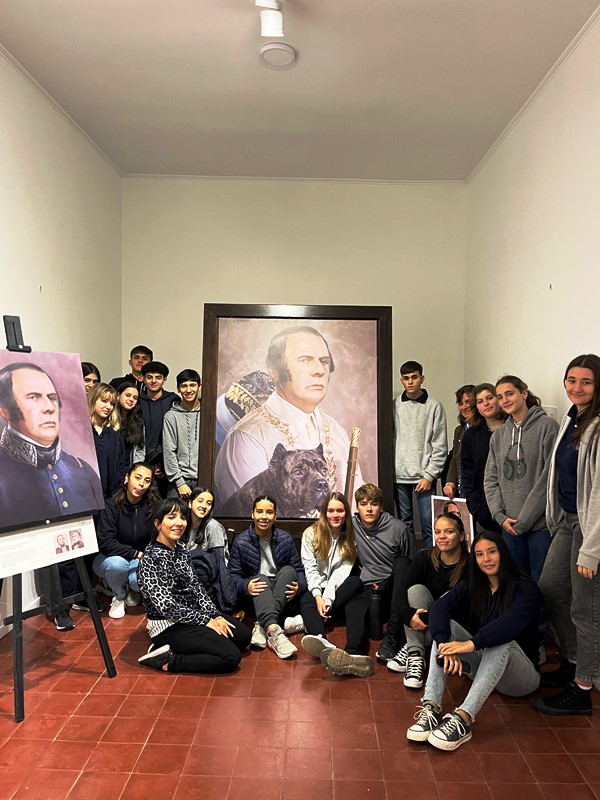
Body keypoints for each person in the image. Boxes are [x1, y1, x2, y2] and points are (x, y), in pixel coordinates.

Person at [406, 531, 541, 751]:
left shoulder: (526, 589)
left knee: (501, 641)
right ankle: (431, 707)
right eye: (479, 554)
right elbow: (440, 607)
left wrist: (469, 645)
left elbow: (508, 626)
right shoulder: (475, 584)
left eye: (491, 552)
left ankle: (463, 718)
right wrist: (445, 645)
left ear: (503, 553)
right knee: (446, 628)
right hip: (485, 666)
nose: (486, 559)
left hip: (520, 678)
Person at [214, 325, 362, 515]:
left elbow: (357, 504)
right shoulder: (246, 438)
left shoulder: (336, 431)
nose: (319, 370)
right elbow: (252, 520)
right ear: (274, 370)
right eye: (304, 360)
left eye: (324, 361)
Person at [534, 354, 600, 716]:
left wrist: (591, 550)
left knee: (585, 609)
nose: (577, 387)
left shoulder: (598, 427)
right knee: (550, 588)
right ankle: (574, 661)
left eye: (586, 382)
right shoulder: (572, 418)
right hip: (566, 520)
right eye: (571, 380)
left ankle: (583, 687)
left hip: (589, 529)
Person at [137, 498, 251, 674]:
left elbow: (196, 587)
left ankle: (188, 645)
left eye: (183, 517)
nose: (179, 523)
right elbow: (167, 607)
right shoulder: (151, 559)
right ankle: (168, 660)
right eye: (172, 517)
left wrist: (215, 615)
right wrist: (206, 621)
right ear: (158, 524)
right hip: (168, 625)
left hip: (192, 615)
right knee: (230, 657)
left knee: (243, 636)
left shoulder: (181, 548)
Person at [319, 483, 414, 677]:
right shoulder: (351, 525)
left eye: (374, 504)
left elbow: (412, 566)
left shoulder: (398, 528)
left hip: (393, 584)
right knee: (354, 606)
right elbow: (326, 524)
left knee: (403, 563)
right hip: (367, 585)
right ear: (357, 507)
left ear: (381, 506)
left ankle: (392, 637)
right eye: (363, 504)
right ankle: (353, 655)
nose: (369, 509)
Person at [0, 362, 103, 532]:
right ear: (5, 411)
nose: (49, 407)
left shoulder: (83, 470)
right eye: (33, 397)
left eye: (52, 398)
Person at [484, 375, 559, 582]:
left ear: (524, 393)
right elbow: (490, 479)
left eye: (509, 394)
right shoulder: (499, 435)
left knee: (541, 585)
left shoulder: (548, 427)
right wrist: (499, 516)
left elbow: (549, 478)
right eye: (500, 396)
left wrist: (524, 521)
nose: (505, 400)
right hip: (509, 526)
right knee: (516, 583)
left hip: (539, 526)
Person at [387, 512, 469, 689]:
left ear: (461, 536)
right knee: (415, 590)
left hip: (450, 626)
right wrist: (408, 616)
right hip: (425, 621)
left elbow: (460, 610)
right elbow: (402, 589)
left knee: (445, 601)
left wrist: (418, 619)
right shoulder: (425, 557)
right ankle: (416, 655)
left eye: (449, 532)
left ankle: (412, 644)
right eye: (438, 532)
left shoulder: (470, 565)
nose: (442, 536)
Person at [227, 495, 307, 659]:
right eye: (260, 511)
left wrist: (299, 587)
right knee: (261, 578)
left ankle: (262, 624)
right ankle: (273, 630)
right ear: (252, 514)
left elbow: (299, 570)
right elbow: (232, 576)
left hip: (280, 592)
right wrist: (246, 586)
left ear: (275, 516)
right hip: (255, 595)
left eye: (269, 512)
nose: (264, 516)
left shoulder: (285, 539)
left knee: (288, 570)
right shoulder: (241, 542)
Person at [299, 492, 363, 658]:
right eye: (331, 511)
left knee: (355, 582)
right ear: (324, 512)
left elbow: (341, 573)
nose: (335, 515)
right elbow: (310, 568)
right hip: (315, 587)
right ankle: (321, 639)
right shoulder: (310, 534)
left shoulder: (350, 537)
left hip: (336, 590)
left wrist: (327, 599)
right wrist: (318, 596)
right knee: (306, 598)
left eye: (340, 511)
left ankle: (307, 621)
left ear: (346, 513)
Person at [93, 461, 159, 619]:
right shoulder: (111, 505)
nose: (141, 484)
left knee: (137, 581)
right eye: (138, 477)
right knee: (118, 565)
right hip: (110, 558)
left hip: (139, 558)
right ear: (127, 478)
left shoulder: (154, 506)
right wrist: (135, 553)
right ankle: (119, 595)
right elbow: (105, 542)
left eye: (147, 481)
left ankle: (129, 587)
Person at [394, 360, 447, 550]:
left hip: (424, 477)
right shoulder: (394, 406)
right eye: (406, 378)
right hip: (399, 476)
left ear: (422, 378)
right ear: (402, 381)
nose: (410, 382)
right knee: (404, 524)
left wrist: (429, 475)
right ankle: (411, 561)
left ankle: (431, 561)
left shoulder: (434, 406)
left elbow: (440, 445)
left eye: (414, 377)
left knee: (429, 524)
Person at [461, 383, 505, 533]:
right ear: (476, 407)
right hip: (485, 513)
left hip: (515, 511)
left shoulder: (513, 429)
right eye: (480, 401)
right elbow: (468, 474)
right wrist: (477, 508)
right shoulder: (471, 435)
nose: (486, 403)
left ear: (498, 399)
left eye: (489, 398)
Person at [187, 487, 236, 614]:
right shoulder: (182, 524)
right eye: (200, 501)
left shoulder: (213, 527)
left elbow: (218, 562)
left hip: (209, 580)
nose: (204, 506)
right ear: (190, 503)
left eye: (208, 503)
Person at [139, 361, 179, 496]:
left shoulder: (173, 400)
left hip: (167, 458)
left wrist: (161, 464)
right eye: (149, 377)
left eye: (158, 377)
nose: (154, 381)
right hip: (142, 457)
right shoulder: (137, 401)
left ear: (164, 380)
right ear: (143, 379)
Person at [163, 369, 202, 499]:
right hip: (179, 481)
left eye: (192, 385)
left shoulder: (209, 412)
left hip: (205, 479)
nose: (188, 390)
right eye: (184, 386)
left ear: (199, 387)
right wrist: (179, 482)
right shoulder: (171, 416)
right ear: (178, 389)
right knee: (173, 511)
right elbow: (169, 451)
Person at [88, 383, 127, 500]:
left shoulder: (115, 431)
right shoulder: (83, 429)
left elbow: (121, 463)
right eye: (104, 401)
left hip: (109, 496)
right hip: (86, 495)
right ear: (93, 400)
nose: (108, 406)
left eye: (112, 403)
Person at [443, 384, 475, 500]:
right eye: (461, 404)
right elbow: (455, 459)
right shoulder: (459, 430)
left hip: (476, 491)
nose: (464, 407)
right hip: (461, 491)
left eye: (468, 402)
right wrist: (450, 483)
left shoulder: (484, 429)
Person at [116, 380, 145, 464]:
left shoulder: (138, 421)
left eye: (135, 398)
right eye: (128, 395)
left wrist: (135, 468)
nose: (131, 399)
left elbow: (140, 450)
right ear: (118, 396)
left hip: (130, 467)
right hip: (112, 467)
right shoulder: (109, 419)